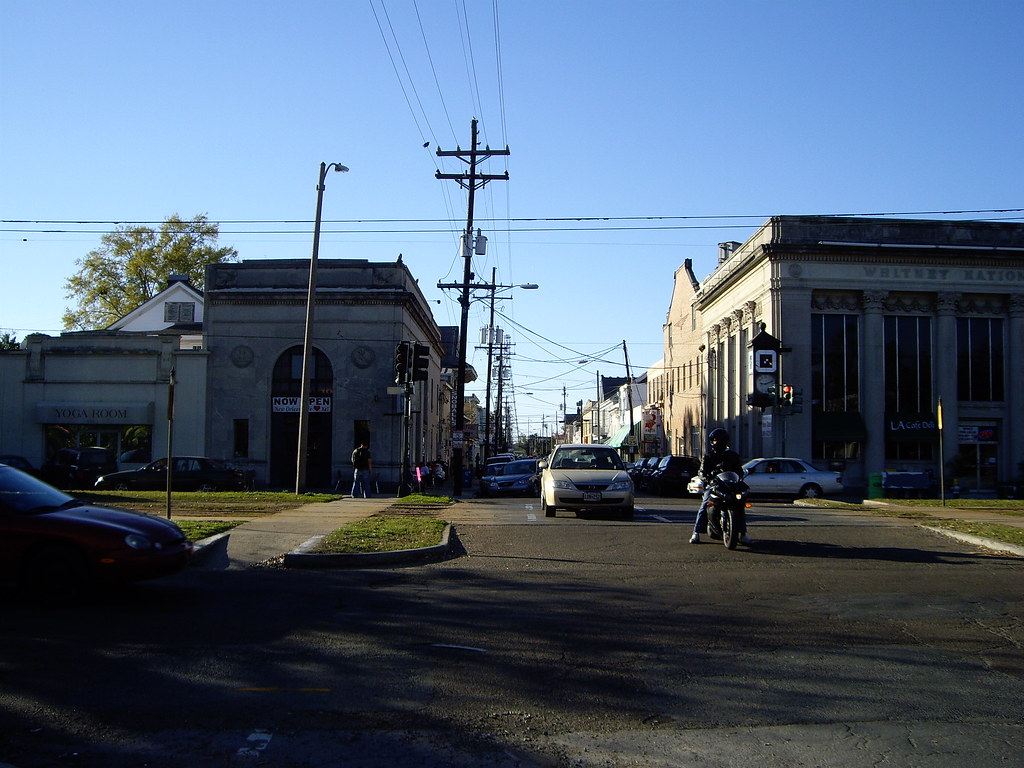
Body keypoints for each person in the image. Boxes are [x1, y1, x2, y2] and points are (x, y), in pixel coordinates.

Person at [690, 428, 751, 544]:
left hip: (729, 485)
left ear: (726, 441)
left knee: (740, 504)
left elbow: (739, 470)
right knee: (705, 505)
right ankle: (696, 533)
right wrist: (707, 478)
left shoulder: (733, 456)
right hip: (715, 485)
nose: (717, 443)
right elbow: (702, 471)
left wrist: (740, 477)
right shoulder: (708, 456)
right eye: (715, 440)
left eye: (721, 440)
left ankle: (743, 534)